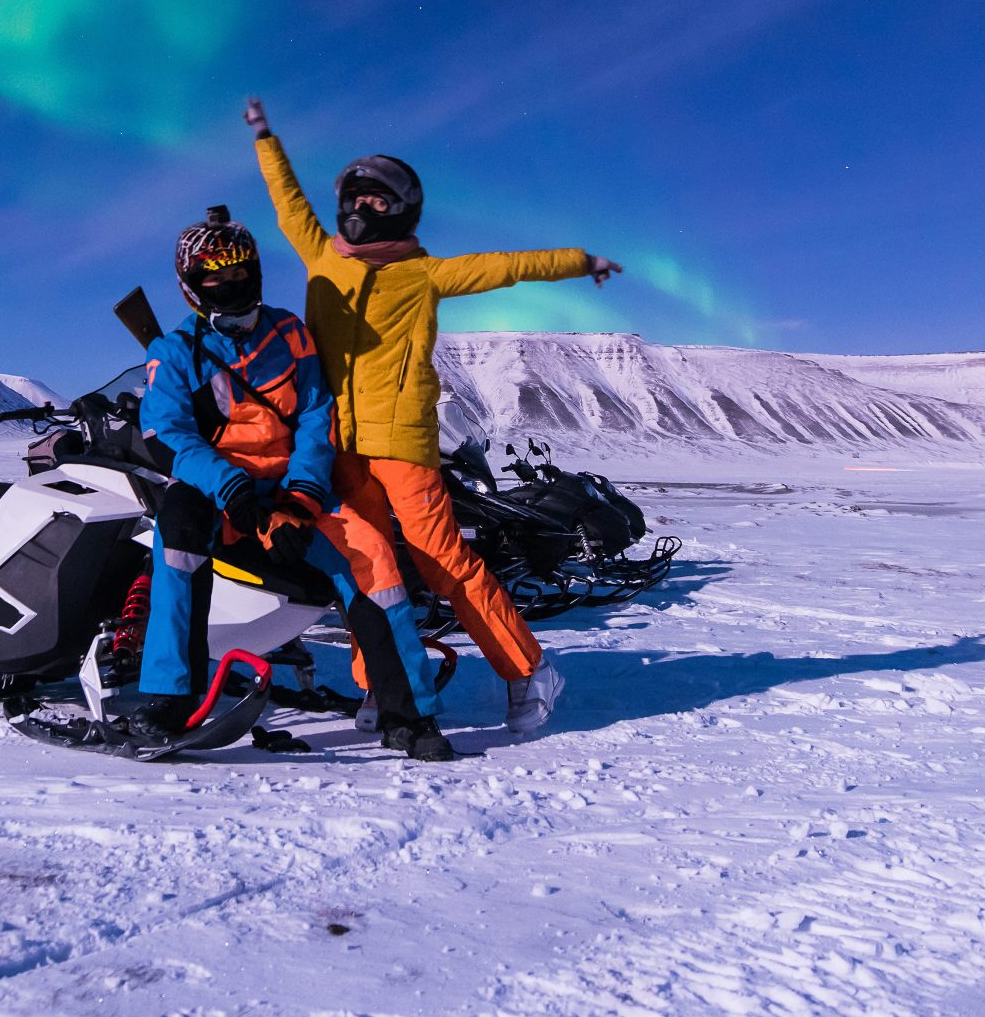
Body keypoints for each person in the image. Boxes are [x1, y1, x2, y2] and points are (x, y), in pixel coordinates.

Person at [243, 97, 623, 735]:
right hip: (335, 444)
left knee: (442, 561)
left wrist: (582, 261)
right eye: (357, 198)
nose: (364, 209)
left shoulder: (425, 275)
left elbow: (510, 267)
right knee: (366, 569)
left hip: (403, 442)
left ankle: (529, 670)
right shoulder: (322, 257)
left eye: (378, 201)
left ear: (403, 210)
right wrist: (265, 137)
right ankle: (381, 687)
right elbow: (287, 201)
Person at [133, 205, 456, 760]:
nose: (231, 286)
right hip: (217, 488)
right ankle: (169, 699)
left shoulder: (291, 335)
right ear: (192, 286)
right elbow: (168, 434)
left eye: (240, 274)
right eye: (216, 278)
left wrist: (302, 498)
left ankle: (409, 713)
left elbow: (315, 417)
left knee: (375, 560)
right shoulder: (175, 352)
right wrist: (233, 492)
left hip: (295, 486)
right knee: (177, 533)